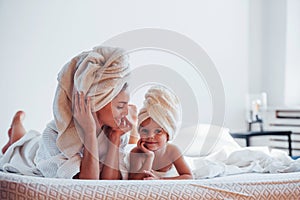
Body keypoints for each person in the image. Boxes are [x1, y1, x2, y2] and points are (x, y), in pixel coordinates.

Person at [0, 46, 135, 180]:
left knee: (23, 140)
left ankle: (16, 132)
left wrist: (115, 138)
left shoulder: (116, 130)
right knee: (20, 145)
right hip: (33, 151)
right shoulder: (54, 135)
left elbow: (110, 183)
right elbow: (87, 185)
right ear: (95, 104)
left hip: (46, 143)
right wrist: (89, 133)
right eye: (120, 106)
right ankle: (16, 126)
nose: (126, 112)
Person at [128, 85, 193, 180]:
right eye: (145, 131)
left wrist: (160, 180)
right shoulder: (136, 152)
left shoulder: (172, 151)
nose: (150, 136)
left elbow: (188, 176)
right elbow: (134, 180)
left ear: (168, 135)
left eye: (158, 131)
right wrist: (149, 157)